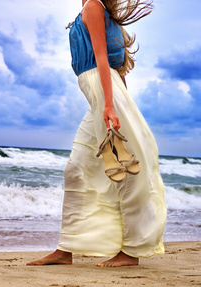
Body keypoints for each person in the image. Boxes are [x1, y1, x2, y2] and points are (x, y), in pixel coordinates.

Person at [27, 0, 166, 267]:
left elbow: (103, 59)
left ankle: (131, 251)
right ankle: (66, 248)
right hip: (100, 96)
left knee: (127, 169)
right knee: (77, 168)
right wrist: (113, 102)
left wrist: (111, 106)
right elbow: (113, 67)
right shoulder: (95, 10)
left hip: (104, 96)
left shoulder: (93, 5)